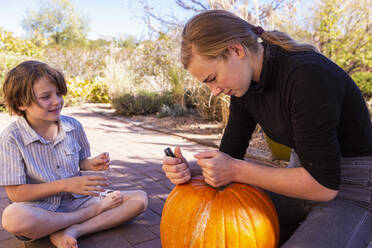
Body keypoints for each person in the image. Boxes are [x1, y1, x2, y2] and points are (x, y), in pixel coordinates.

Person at [162, 9, 372, 247]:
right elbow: (229, 157)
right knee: (227, 230)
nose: (214, 90)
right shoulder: (245, 88)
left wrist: (235, 170)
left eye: (212, 78)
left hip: (353, 190)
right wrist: (193, 171)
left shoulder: (306, 76)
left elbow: (324, 186)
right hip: (300, 182)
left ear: (236, 50)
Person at [0, 61, 148, 248]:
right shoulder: (11, 138)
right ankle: (86, 216)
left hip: (78, 201)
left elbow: (79, 162)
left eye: (59, 93)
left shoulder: (73, 126)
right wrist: (67, 185)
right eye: (46, 96)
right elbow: (16, 193)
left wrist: (89, 164)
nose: (57, 101)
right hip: (39, 208)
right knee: (12, 219)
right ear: (21, 103)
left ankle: (73, 230)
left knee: (139, 199)